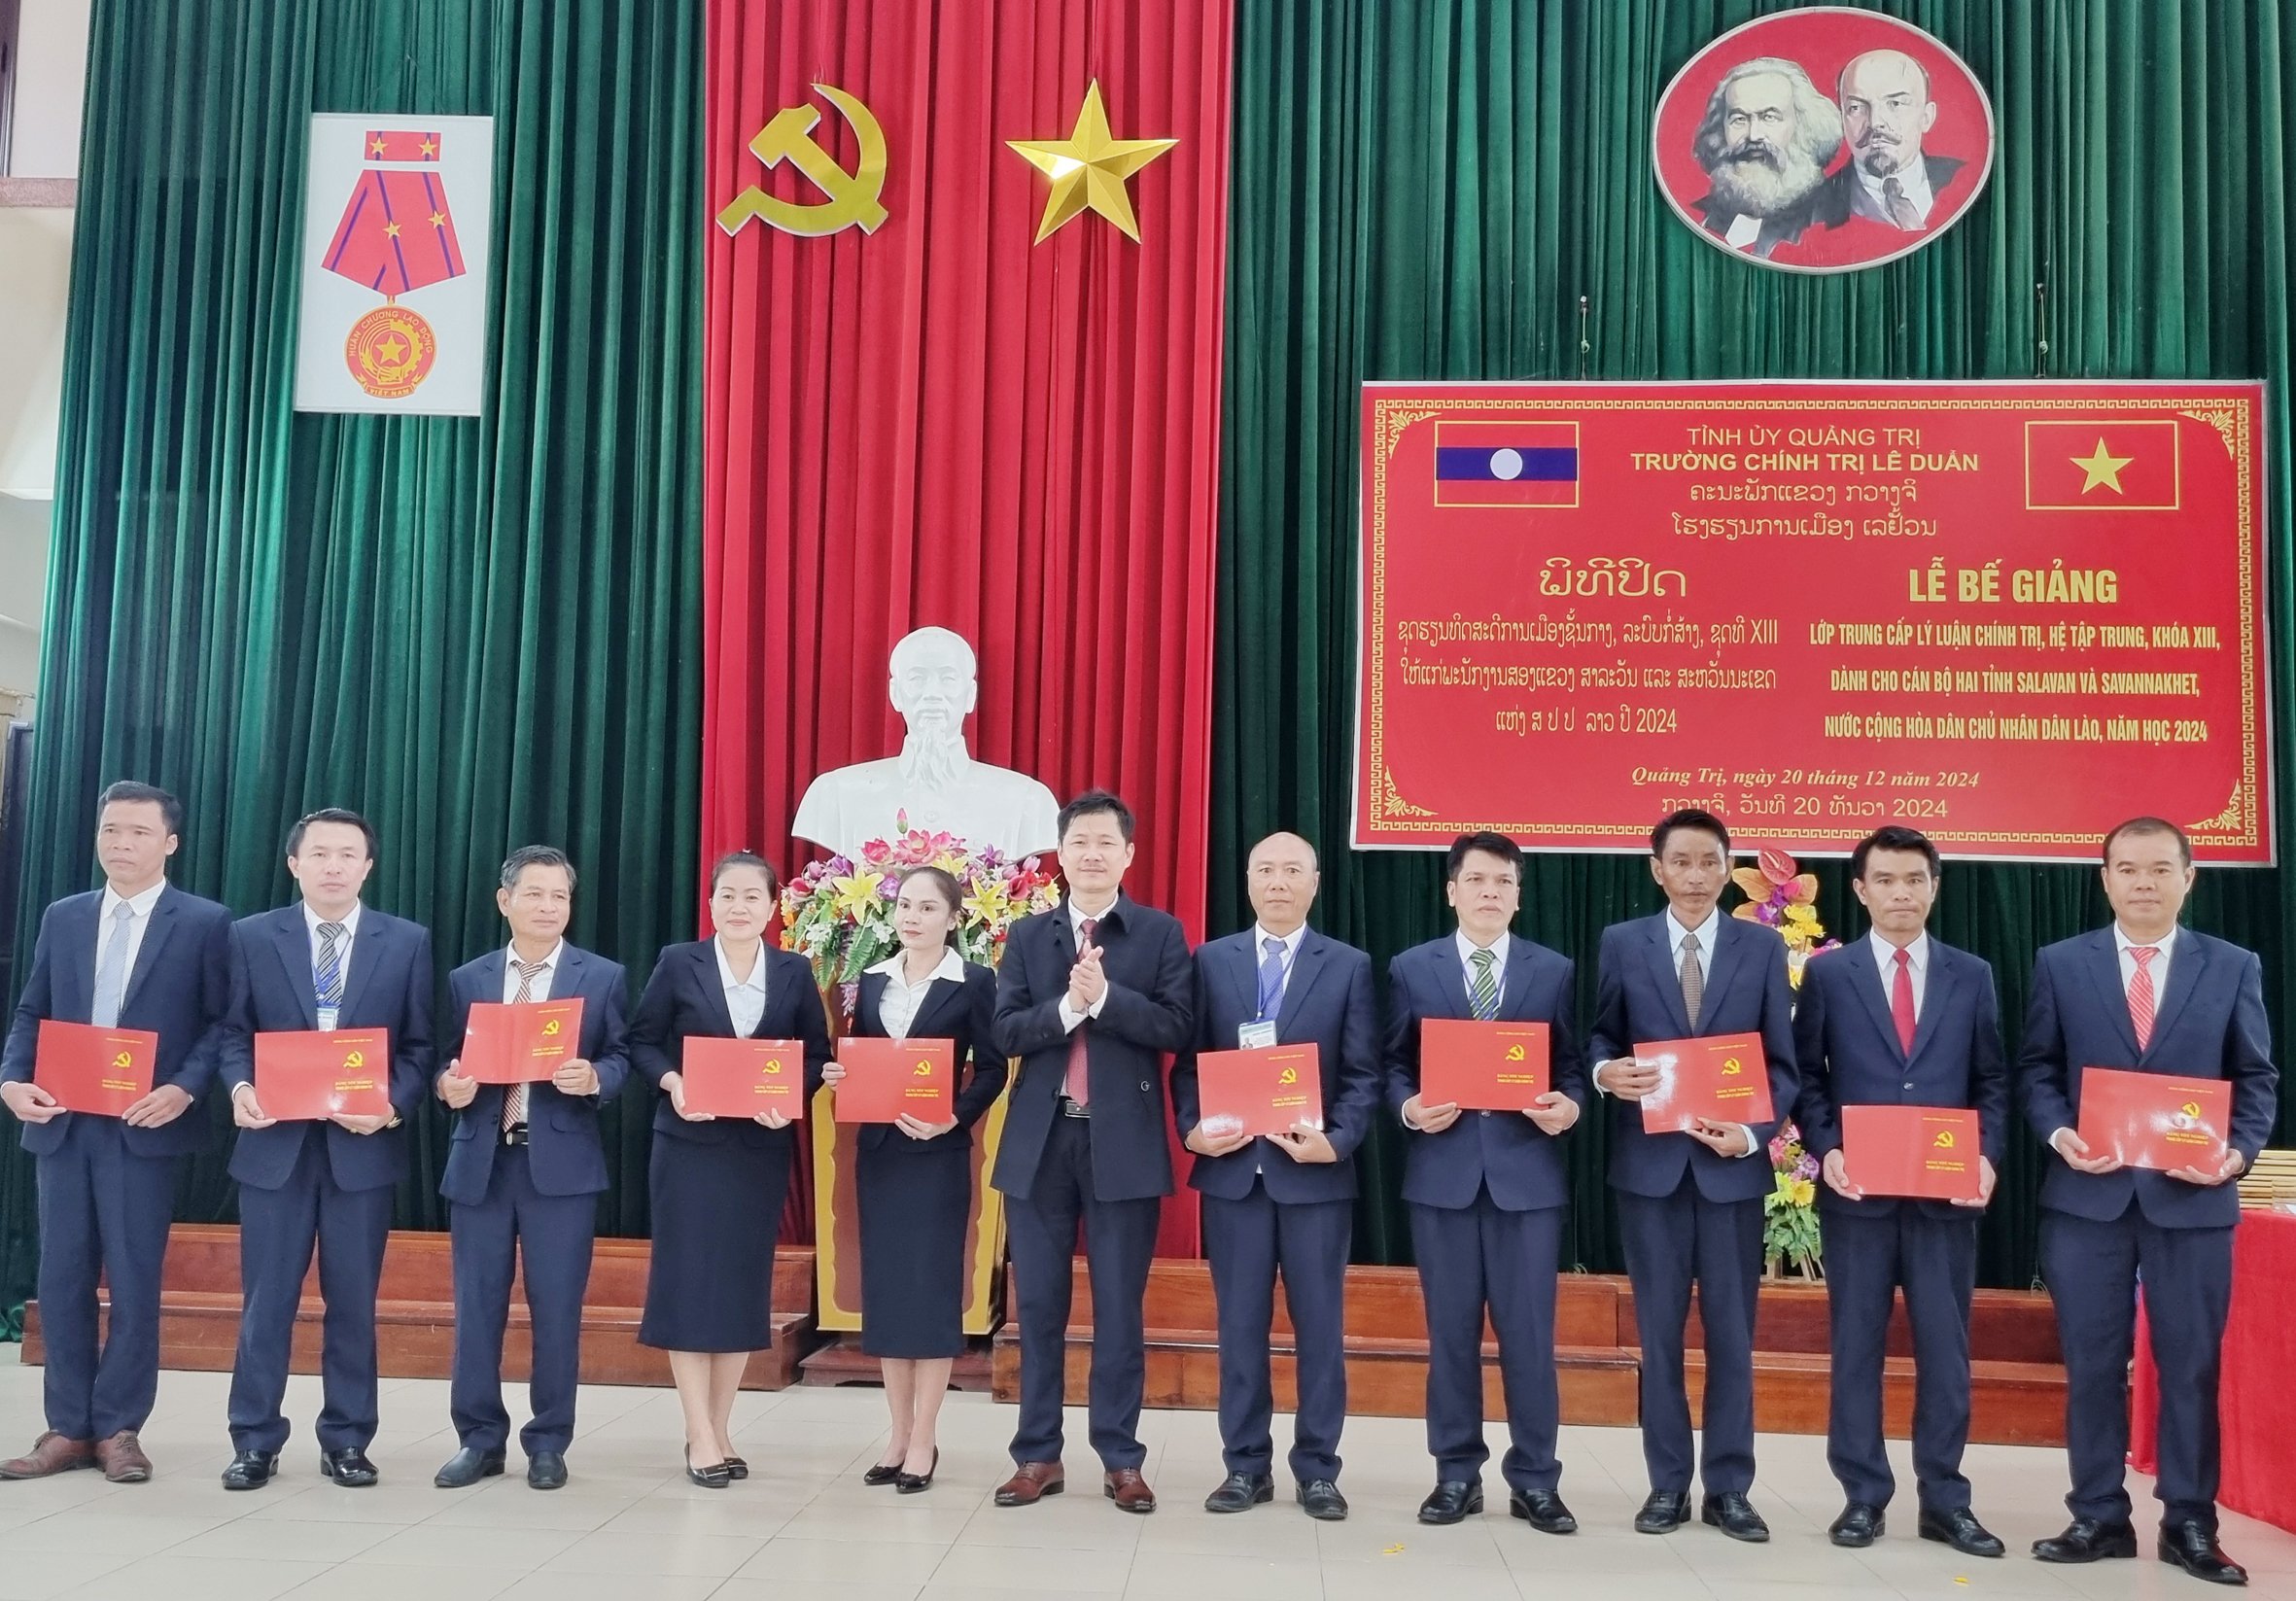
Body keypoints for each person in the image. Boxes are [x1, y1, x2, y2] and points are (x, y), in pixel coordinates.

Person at [2022, 818, 2277, 1585]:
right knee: (2092, 1363)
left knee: (2191, 1365)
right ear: (2104, 879)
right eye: (2127, 868)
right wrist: (2060, 1133)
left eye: (2159, 868)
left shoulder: (2232, 965)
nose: (2143, 882)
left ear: (2188, 877)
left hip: (2191, 1205)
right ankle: (2097, 1513)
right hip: (2086, 1201)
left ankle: (2190, 1522)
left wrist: (2235, 1154)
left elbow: (2256, 1078)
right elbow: (2037, 1068)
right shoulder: (2061, 964)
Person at [0, 782, 232, 1483]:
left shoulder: (204, 921)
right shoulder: (65, 915)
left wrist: (184, 1087)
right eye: (110, 831)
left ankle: (121, 1427)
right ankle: (67, 1426)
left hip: (144, 1127)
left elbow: (223, 1023)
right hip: (65, 1123)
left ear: (170, 843)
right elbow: (32, 1011)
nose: (121, 844)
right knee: (62, 1275)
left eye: (137, 832)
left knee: (133, 1279)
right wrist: (11, 1080)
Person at [1791, 826, 2006, 1557]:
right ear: (1860, 889)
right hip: (1859, 1197)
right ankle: (1862, 1495)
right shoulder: (1830, 975)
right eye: (1885, 880)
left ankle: (1945, 1498)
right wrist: (1829, 1148)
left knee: (1947, 1349)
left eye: (1915, 878)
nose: (1901, 893)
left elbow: (1992, 1080)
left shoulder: (1971, 973)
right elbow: (1807, 1078)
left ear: (1935, 886)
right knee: (1857, 1347)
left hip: (1945, 1198)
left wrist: (1987, 1155)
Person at [1587, 808, 1796, 1541]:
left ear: (1727, 865)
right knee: (1660, 1334)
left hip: (1730, 1171)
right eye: (1682, 861)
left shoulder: (1761, 947)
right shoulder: (1623, 942)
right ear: (1657, 868)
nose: (1697, 876)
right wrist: (1603, 1071)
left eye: (1710, 861)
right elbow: (1602, 1032)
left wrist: (1751, 1133)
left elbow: (1783, 1064)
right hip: (1649, 1172)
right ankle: (1667, 1484)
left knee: (1733, 1335)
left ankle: (1730, 1488)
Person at [217, 808, 434, 1490]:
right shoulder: (251, 936)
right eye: (320, 853)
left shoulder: (406, 941)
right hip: (274, 1147)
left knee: (352, 1302)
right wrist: (239, 1085)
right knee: (266, 1301)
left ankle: (347, 1438)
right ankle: (254, 1439)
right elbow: (230, 1032)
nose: (334, 865)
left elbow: (421, 1047)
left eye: (348, 854)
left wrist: (392, 1104)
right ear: (295, 863)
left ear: (368, 866)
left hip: (360, 1152)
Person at [991, 789, 1192, 1514]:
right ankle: (1038, 1454)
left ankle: (1121, 1457)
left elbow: (1176, 1025)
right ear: (1061, 852)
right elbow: (1006, 1030)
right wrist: (1067, 1011)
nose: (1093, 853)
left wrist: (1107, 1000)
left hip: (1123, 1143)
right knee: (1039, 1305)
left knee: (1119, 1308)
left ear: (1129, 853)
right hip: (1041, 1145)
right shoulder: (1026, 935)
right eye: (1080, 842)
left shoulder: (1159, 933)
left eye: (1107, 842)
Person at [1170, 832, 1378, 1522]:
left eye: (1293, 870)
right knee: (1240, 1327)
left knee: (1320, 1329)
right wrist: (1192, 1128)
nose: (1279, 881)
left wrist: (1338, 1141)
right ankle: (1245, 1466)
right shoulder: (1211, 961)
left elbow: (1361, 1075)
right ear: (1249, 880)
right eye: (1265, 869)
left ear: (1315, 883)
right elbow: (1187, 1064)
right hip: (1235, 1177)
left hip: (1314, 1178)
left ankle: (1318, 1469)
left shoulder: (1348, 965)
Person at [1383, 830, 1585, 1533]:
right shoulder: (1412, 967)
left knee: (1530, 1336)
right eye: (1477, 880)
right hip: (1442, 1180)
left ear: (1519, 894)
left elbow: (1569, 1066)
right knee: (1451, 1335)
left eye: (1504, 881)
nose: (1491, 892)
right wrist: (1409, 1107)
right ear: (1452, 889)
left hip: (1526, 1184)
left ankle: (1535, 1479)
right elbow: (1393, 1064)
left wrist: (1570, 1104)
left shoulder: (1552, 969)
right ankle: (1456, 1474)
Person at [432, 846, 630, 1492]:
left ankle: (549, 1441)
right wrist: (448, 1085)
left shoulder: (599, 977)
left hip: (562, 1169)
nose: (548, 907)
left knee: (556, 1307)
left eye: (560, 896)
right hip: (482, 1166)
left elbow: (623, 1056)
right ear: (505, 899)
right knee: (476, 1307)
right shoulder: (469, 978)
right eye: (536, 894)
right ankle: (479, 1439)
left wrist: (596, 1075)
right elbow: (441, 1060)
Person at [630, 851, 830, 1487]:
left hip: (757, 1150)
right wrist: (672, 1081)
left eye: (753, 896)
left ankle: (721, 1426)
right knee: (689, 1283)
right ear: (711, 902)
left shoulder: (795, 971)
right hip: (688, 1145)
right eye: (728, 895)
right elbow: (641, 1039)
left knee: (742, 1284)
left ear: (773, 907)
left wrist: (789, 1097)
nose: (739, 906)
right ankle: (699, 1432)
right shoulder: (677, 961)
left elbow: (814, 1055)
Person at [824, 865, 1005, 1494]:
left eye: (928, 907)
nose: (913, 916)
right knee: (890, 1297)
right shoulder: (871, 980)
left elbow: (993, 1067)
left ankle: (925, 1438)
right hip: (880, 1154)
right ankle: (896, 1435)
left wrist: (952, 1115)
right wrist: (841, 1076)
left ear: (953, 918)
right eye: (905, 905)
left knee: (929, 1299)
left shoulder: (975, 981)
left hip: (936, 1157)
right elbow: (863, 1055)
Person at [790, 626, 1061, 858]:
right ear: (895, 694)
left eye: (948, 679)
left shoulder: (1029, 801)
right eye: (917, 678)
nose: (932, 693)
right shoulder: (834, 793)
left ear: (970, 696)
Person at [1687, 56, 1844, 258]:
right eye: (1739, 119)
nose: (1754, 135)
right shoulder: (1701, 217)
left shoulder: (1834, 216)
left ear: (1804, 126)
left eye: (1769, 117)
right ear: (1720, 129)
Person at [1820, 49, 1968, 232]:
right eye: (1856, 107)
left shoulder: (1964, 179)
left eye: (1895, 104)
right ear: (1842, 119)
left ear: (1926, 117)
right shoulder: (1813, 209)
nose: (1875, 123)